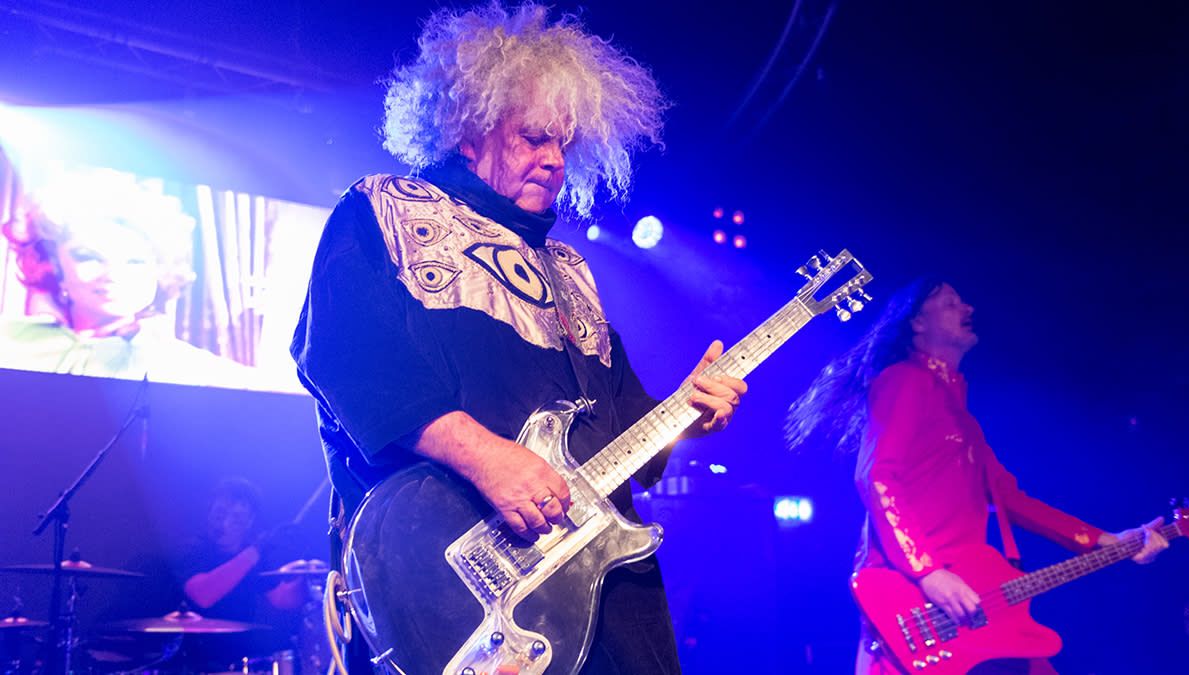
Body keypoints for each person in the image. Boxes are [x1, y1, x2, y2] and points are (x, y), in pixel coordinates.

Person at [289, 4, 746, 674]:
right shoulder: (383, 209)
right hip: (450, 597)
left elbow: (622, 434)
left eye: (565, 144)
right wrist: (484, 457)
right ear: (470, 128)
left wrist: (686, 414)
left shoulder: (569, 271)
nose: (555, 161)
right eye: (535, 138)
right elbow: (345, 360)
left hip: (601, 598)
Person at [785, 278, 1168, 675]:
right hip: (916, 595)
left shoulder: (959, 413)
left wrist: (1108, 541)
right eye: (951, 302)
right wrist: (927, 572)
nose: (967, 309)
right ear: (916, 322)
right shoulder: (904, 380)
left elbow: (1011, 500)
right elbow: (876, 475)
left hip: (969, 591)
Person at [0, 166, 257, 386]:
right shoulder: (9, 339)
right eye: (88, 256)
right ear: (55, 265)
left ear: (160, 270)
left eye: (135, 261)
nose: (112, 274)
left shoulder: (186, 367)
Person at [178, 478, 307, 669]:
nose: (226, 523)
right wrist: (256, 550)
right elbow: (202, 595)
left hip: (237, 660)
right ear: (209, 513)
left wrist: (306, 577)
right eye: (220, 514)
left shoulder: (250, 558)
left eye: (236, 518)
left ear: (250, 522)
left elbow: (281, 599)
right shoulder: (194, 549)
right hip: (192, 661)